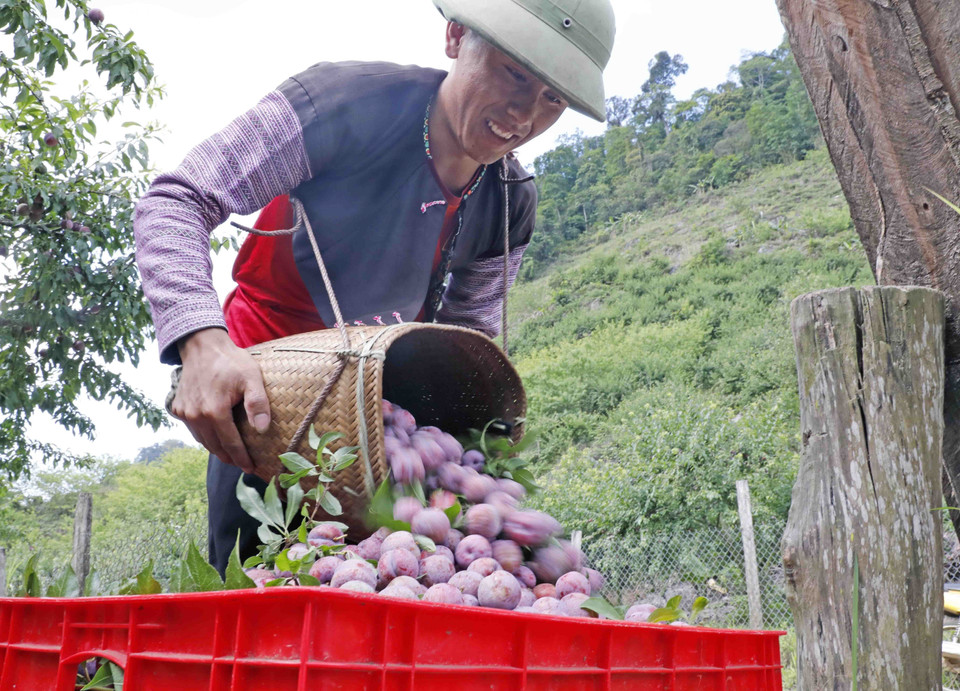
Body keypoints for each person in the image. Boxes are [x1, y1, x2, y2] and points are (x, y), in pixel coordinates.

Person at [133, 0, 616, 573]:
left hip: (377, 425)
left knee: (385, 593)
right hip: (268, 407)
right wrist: (202, 343)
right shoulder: (342, 105)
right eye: (514, 73)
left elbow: (466, 338)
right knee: (256, 593)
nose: (525, 113)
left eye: (553, 98)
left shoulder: (510, 202)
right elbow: (178, 199)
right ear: (455, 37)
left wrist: (463, 454)